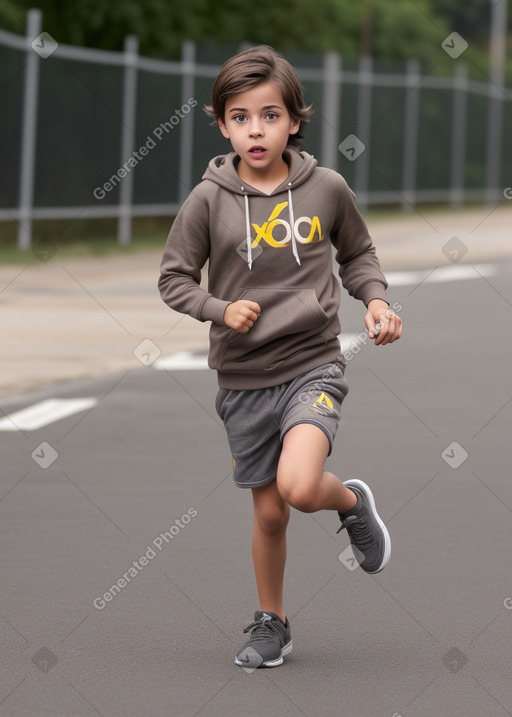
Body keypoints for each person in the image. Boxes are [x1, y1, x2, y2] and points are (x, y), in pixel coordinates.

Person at [158, 45, 403, 670]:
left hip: (312, 365)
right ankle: (274, 622)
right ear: (222, 124)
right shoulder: (208, 200)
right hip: (242, 379)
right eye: (240, 117)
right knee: (269, 514)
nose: (255, 129)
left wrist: (375, 303)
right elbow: (174, 279)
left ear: (294, 120)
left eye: (270, 115)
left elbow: (359, 256)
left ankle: (346, 503)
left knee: (296, 487)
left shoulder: (326, 188)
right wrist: (218, 309)